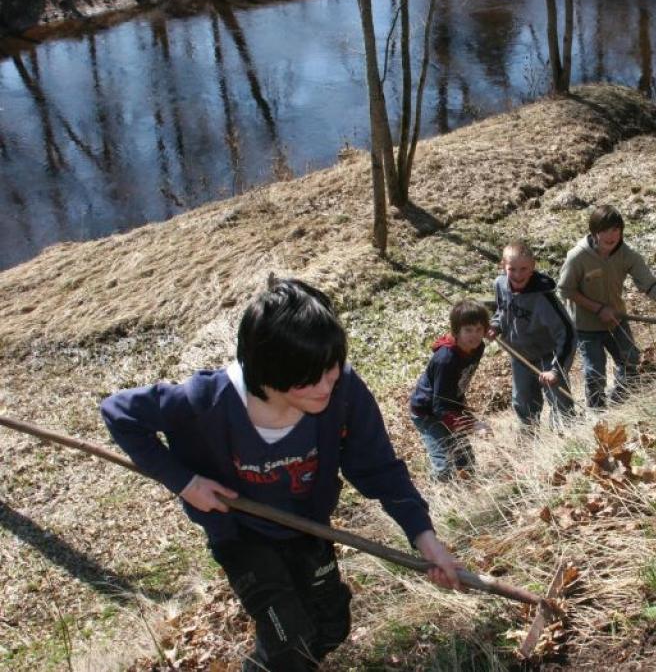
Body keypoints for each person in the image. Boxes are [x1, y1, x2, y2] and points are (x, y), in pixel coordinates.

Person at [101, 278, 460, 672]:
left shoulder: (343, 391)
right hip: (241, 534)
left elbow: (380, 468)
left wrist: (425, 539)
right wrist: (185, 483)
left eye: (333, 368)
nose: (328, 384)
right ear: (269, 369)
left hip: (308, 527)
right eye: (312, 375)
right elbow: (120, 413)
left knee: (330, 627)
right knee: (287, 639)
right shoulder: (204, 401)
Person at [557, 205, 656, 409]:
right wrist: (597, 308)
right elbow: (565, 290)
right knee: (595, 372)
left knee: (631, 361)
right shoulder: (577, 257)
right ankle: (597, 413)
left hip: (616, 319)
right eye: (605, 230)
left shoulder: (626, 254)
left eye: (616, 230)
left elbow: (651, 285)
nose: (611, 236)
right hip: (586, 326)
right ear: (594, 232)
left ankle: (619, 404)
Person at [491, 239, 576, 430]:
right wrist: (495, 326)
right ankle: (529, 443)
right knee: (523, 401)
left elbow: (568, 333)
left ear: (533, 267)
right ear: (503, 266)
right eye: (512, 269)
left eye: (523, 269)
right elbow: (501, 311)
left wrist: (556, 369)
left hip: (548, 356)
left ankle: (568, 440)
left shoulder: (543, 297)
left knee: (560, 401)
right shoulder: (500, 285)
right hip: (520, 356)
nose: (518, 275)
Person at [409, 300, 491, 480]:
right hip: (427, 412)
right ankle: (437, 500)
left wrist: (463, 414)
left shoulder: (478, 348)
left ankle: (468, 493)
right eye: (468, 330)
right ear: (456, 331)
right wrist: (471, 424)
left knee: (465, 460)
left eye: (479, 330)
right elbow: (439, 407)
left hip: (452, 405)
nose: (474, 336)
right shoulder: (445, 360)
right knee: (444, 466)